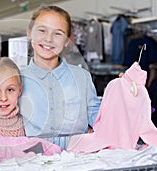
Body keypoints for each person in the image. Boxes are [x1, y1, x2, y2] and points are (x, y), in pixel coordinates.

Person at [19, 5, 101, 148]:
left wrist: (121, 93)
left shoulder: (82, 77)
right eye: (42, 30)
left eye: (58, 33)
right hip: (30, 161)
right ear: (29, 33)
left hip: (78, 161)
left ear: (67, 41)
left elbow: (100, 119)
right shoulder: (15, 79)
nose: (48, 39)